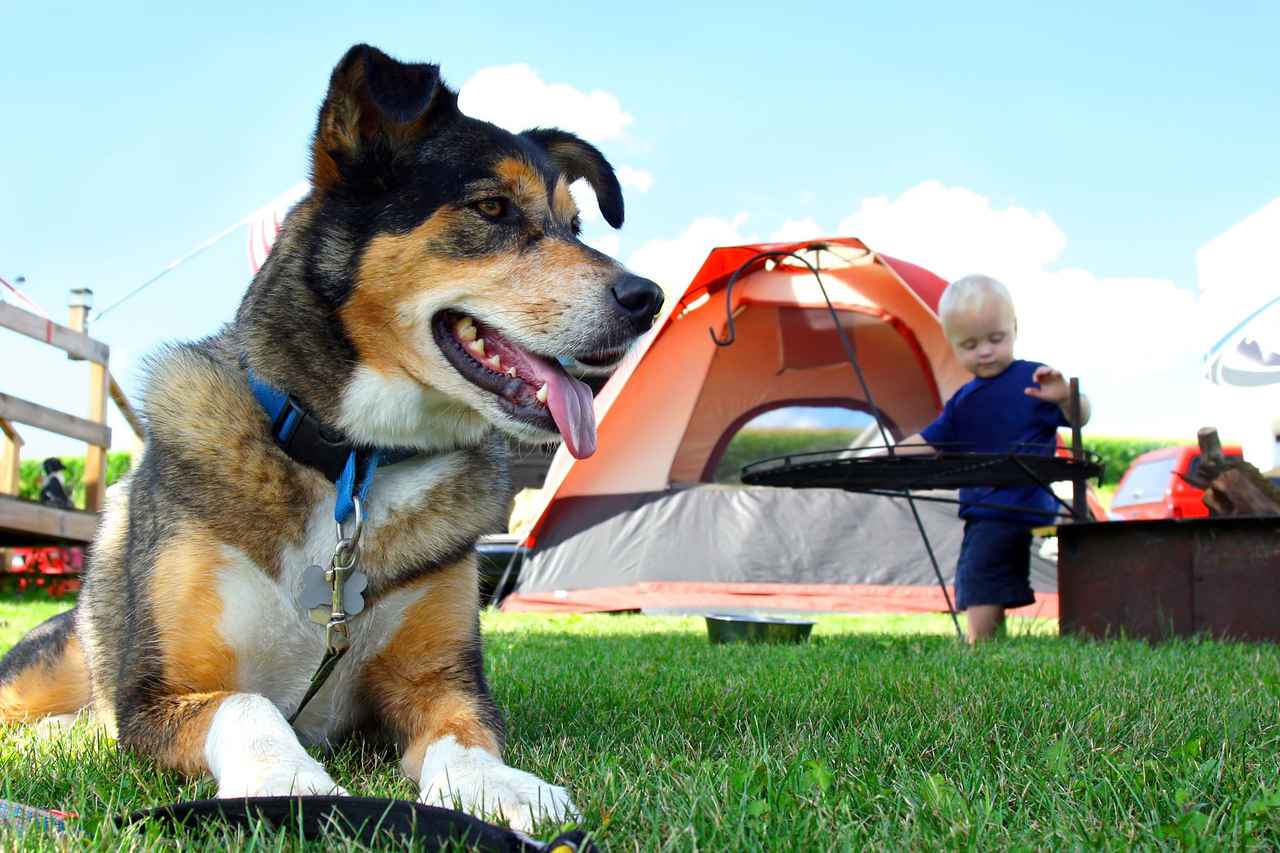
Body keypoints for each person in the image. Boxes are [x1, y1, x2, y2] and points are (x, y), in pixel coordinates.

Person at [894, 275, 1091, 644]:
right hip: (986, 506)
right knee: (985, 571)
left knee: (981, 573)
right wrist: (885, 457)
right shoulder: (964, 400)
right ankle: (993, 642)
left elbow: (1078, 418)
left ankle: (978, 645)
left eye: (995, 339)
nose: (985, 351)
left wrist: (1066, 397)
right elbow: (930, 439)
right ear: (952, 346)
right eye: (970, 345)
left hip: (1014, 503)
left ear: (1014, 329)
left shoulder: (1035, 380)